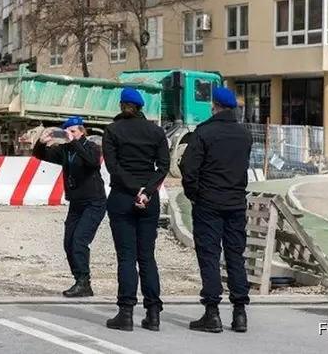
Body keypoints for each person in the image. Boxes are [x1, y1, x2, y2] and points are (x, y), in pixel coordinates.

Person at [180, 86, 253, 334]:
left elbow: (188, 168)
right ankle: (240, 313)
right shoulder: (244, 135)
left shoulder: (204, 133)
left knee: (209, 257)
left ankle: (212, 313)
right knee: (236, 256)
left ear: (214, 106)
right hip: (235, 203)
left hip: (209, 204)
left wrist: (195, 195)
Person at [102, 87, 169, 332]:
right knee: (147, 256)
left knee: (127, 257)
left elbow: (112, 166)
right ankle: (153, 314)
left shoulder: (112, 131)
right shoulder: (156, 131)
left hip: (122, 198)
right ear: (141, 107)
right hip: (149, 200)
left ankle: (126, 312)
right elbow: (163, 166)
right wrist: (147, 191)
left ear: (121, 106)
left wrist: (133, 190)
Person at [32, 116, 106, 298]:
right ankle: (79, 279)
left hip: (94, 201)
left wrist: (74, 143)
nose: (70, 135)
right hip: (76, 202)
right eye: (67, 132)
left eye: (73, 131)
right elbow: (41, 155)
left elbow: (92, 162)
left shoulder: (90, 147)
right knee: (69, 242)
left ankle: (83, 282)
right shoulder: (66, 150)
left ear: (82, 132)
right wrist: (41, 143)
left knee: (80, 240)